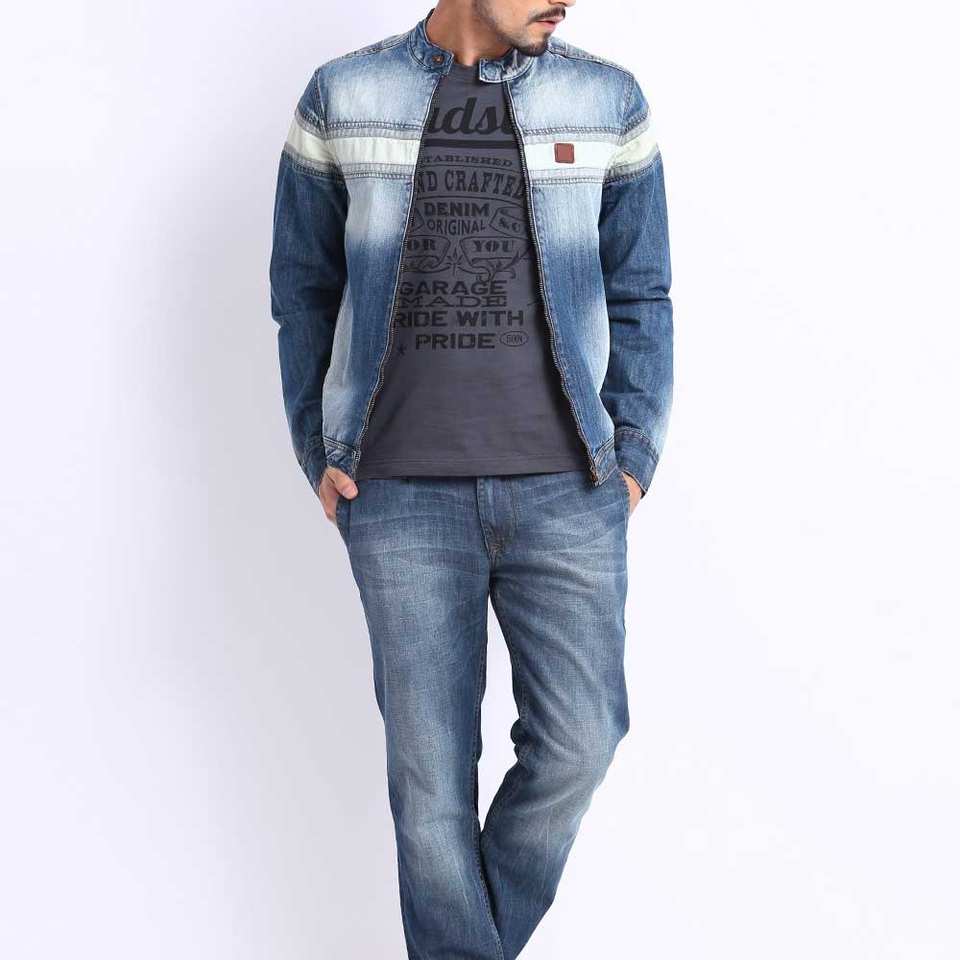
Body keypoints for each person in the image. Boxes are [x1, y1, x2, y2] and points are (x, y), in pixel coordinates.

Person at [268, 2, 673, 956]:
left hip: (568, 489)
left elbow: (643, 290)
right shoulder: (342, 95)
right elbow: (303, 288)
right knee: (429, 786)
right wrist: (319, 450)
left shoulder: (607, 99)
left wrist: (633, 456)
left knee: (581, 742)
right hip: (400, 496)